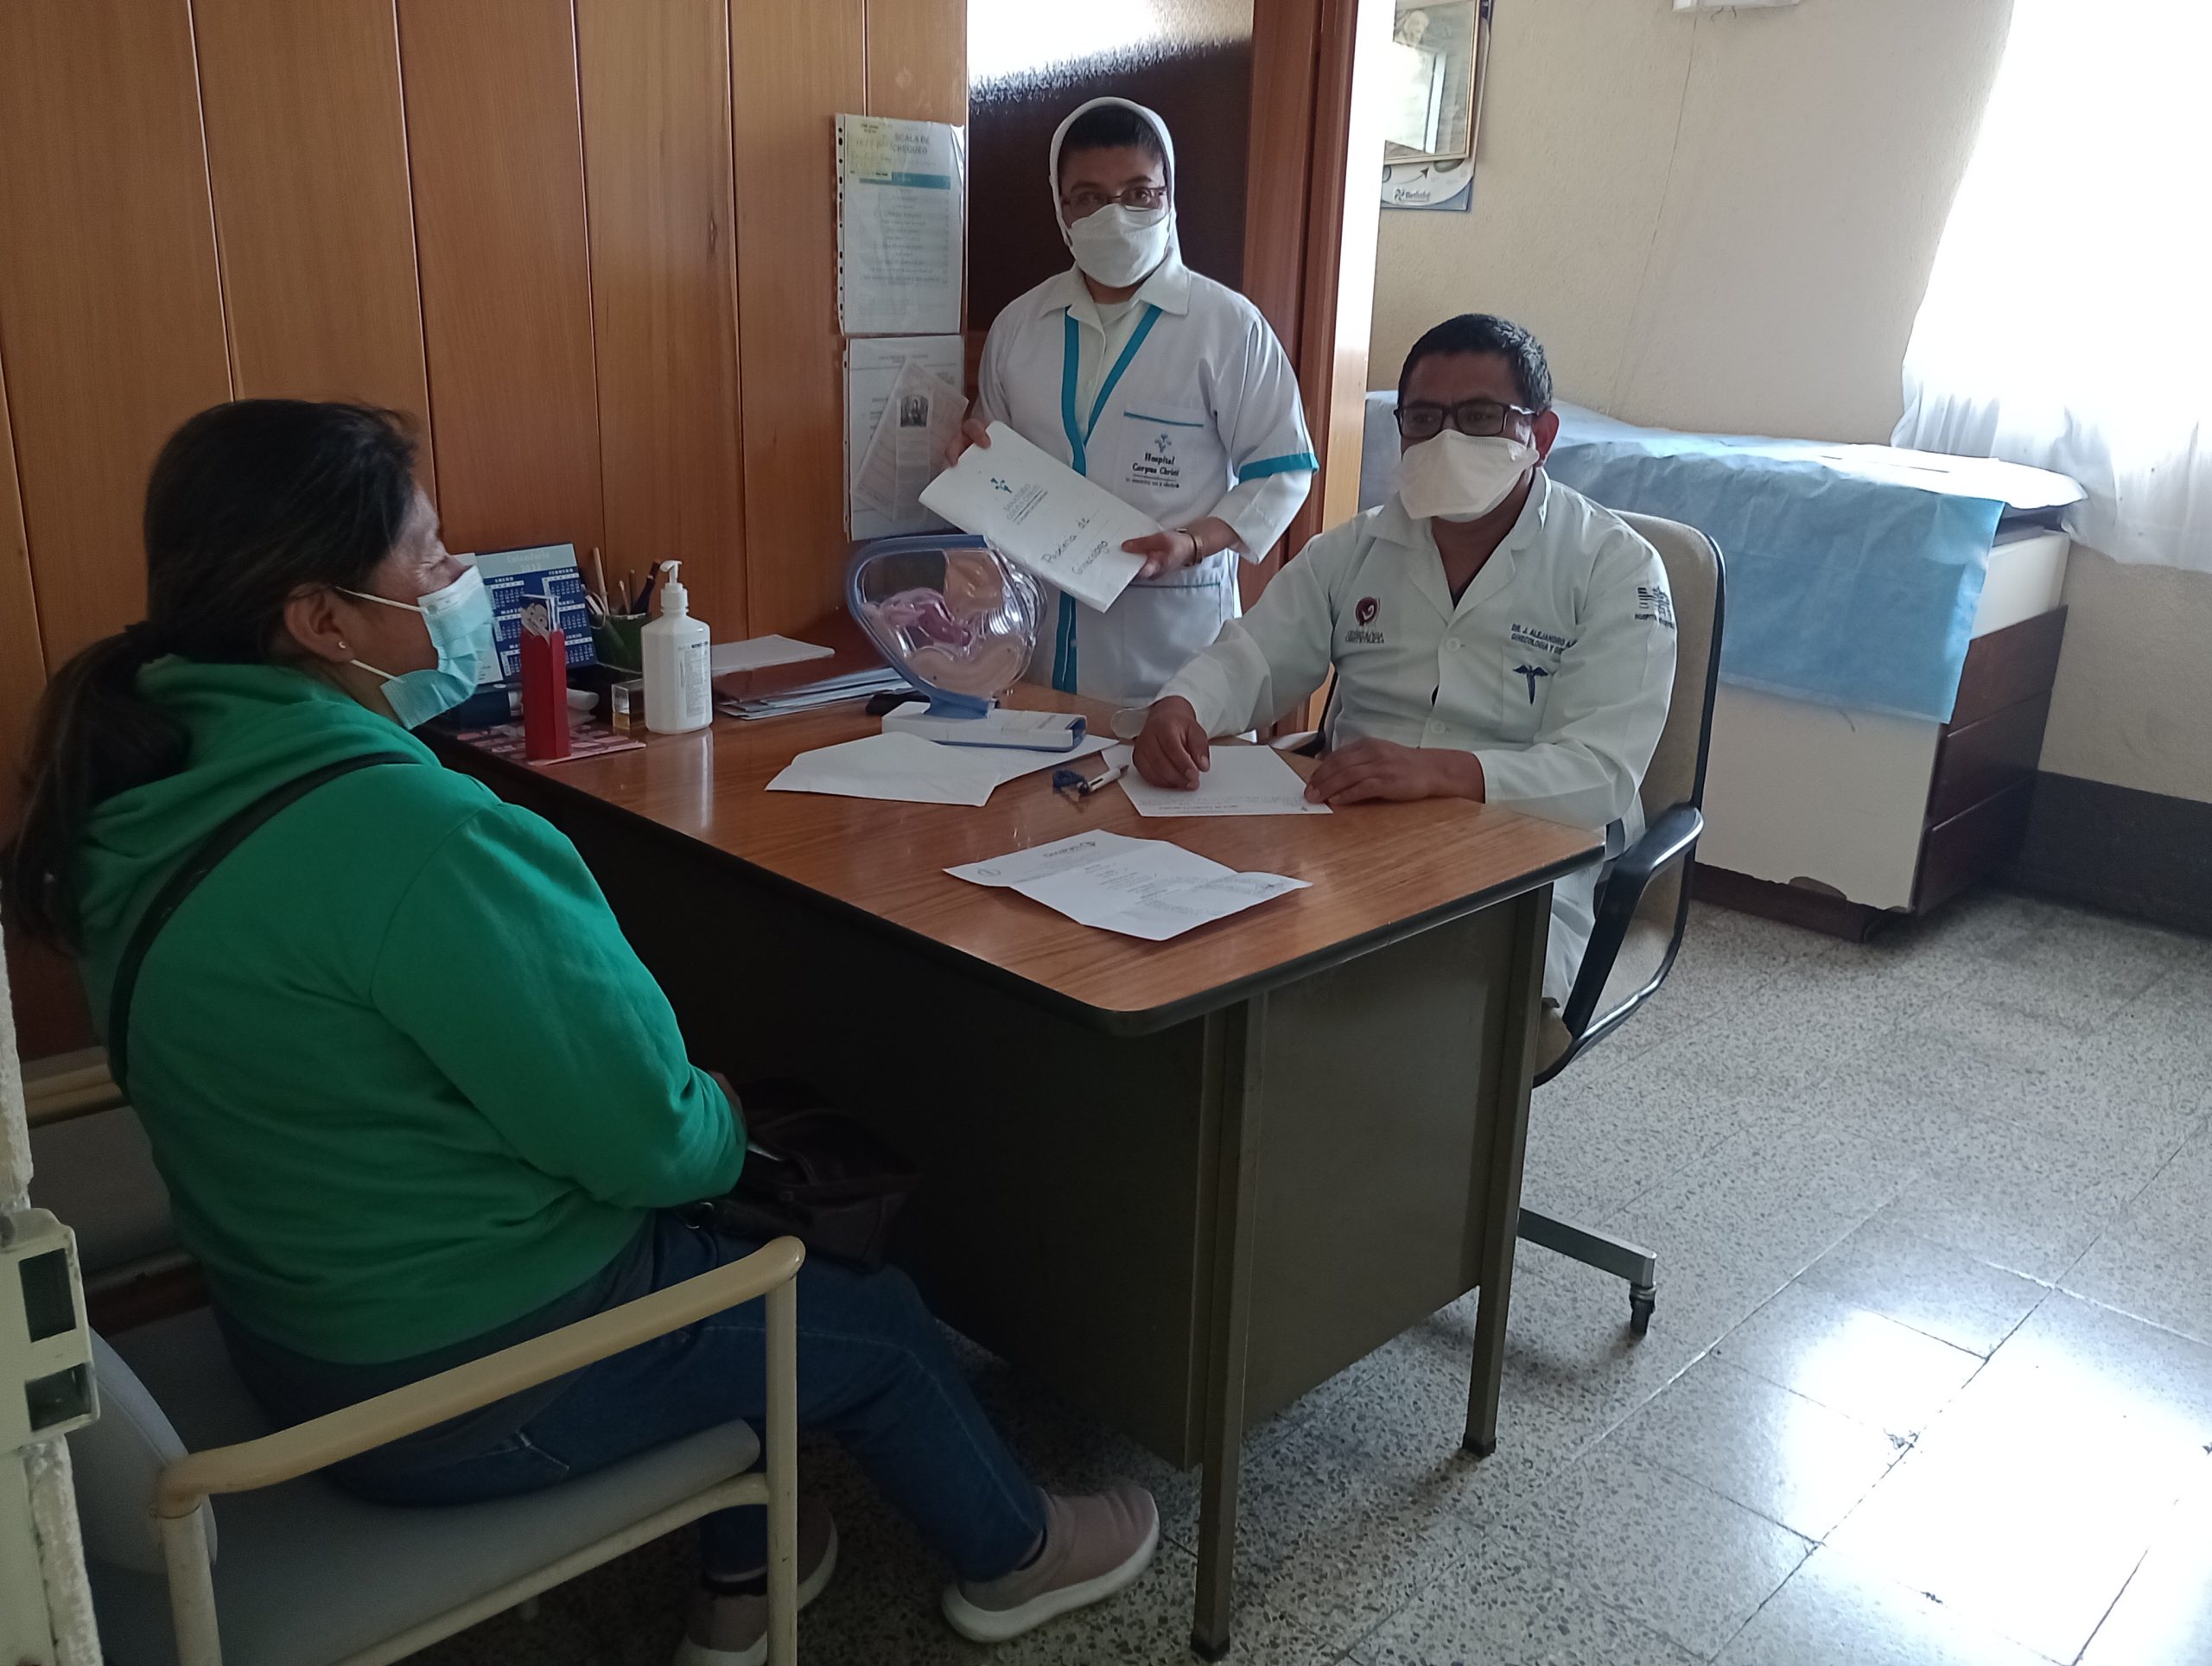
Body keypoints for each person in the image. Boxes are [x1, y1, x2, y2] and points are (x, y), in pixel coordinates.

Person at [2, 401, 1158, 1665]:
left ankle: (751, 1567)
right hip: (452, 1389)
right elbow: (653, 1146)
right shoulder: (419, 835)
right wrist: (722, 1113)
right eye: (430, 555)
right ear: (323, 618)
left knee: (716, 1237)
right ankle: (1019, 1555)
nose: (461, 581)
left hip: (289, 1322)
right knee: (866, 1315)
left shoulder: (135, 788)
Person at [1131, 315, 1676, 1004]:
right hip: (1350, 835)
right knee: (1202, 951)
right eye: (1423, 418)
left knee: (1434, 1005)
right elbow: (1256, 655)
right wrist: (1182, 707)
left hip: (1519, 858)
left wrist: (1439, 772)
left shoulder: (1616, 567)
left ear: (1539, 437)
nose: (1446, 439)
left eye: (1479, 417)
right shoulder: (1354, 549)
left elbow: (1600, 775)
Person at [952, 96, 1315, 705]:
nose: (1116, 215)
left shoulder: (1228, 327)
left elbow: (1281, 472)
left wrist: (1193, 543)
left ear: (1169, 198)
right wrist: (969, 462)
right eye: (1089, 197)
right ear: (1062, 209)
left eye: (1140, 193)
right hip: (1034, 650)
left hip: (1174, 654)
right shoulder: (1020, 326)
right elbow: (992, 466)